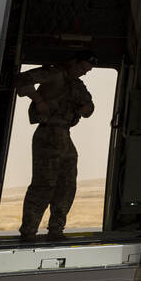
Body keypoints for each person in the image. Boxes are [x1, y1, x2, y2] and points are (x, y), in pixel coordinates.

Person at [14, 52, 96, 241]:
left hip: (64, 135)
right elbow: (21, 80)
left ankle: (56, 230)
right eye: (82, 68)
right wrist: (39, 100)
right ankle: (28, 232)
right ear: (72, 62)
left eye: (87, 71)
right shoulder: (54, 74)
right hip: (48, 133)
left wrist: (86, 109)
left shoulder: (77, 84)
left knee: (67, 185)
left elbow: (89, 107)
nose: (84, 73)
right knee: (44, 184)